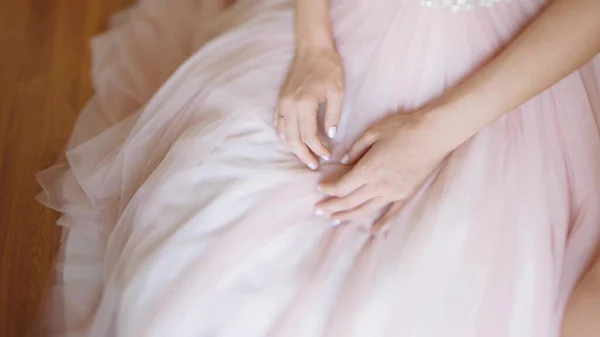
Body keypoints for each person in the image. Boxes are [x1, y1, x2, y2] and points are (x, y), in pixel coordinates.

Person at [33, 0, 600, 336]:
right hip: (346, 24)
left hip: (513, 68)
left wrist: (435, 132)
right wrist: (313, 46)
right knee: (205, 238)